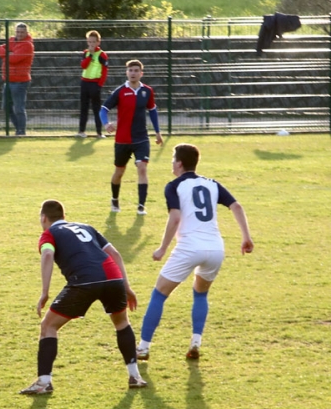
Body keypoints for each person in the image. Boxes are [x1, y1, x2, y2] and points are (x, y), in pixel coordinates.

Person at [137, 143, 254, 361]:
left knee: (159, 294)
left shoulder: (173, 186)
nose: (172, 163)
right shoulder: (212, 184)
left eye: (173, 159)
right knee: (200, 294)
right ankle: (196, 341)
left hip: (190, 247)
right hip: (215, 248)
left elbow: (175, 218)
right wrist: (246, 237)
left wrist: (162, 248)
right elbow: (236, 207)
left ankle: (143, 347)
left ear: (179, 163)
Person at [19, 200, 146, 394]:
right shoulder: (87, 227)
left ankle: (44, 382)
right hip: (113, 277)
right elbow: (115, 254)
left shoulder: (50, 234)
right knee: (121, 323)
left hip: (84, 281)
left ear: (44, 218)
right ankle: (135, 376)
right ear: (64, 216)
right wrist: (127, 287)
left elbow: (47, 256)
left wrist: (44, 292)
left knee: (48, 326)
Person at [100, 59, 164, 215]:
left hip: (141, 138)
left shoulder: (147, 91)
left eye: (136, 71)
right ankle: (115, 199)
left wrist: (157, 131)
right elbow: (103, 109)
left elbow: (153, 111)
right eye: (130, 70)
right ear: (126, 73)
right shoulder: (120, 91)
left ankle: (141, 206)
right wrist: (106, 124)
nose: (133, 73)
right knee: (119, 172)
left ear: (141, 73)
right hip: (122, 139)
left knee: (142, 168)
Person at [0, 22, 35, 136]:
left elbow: (14, 59)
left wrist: (7, 54)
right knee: (6, 107)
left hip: (20, 81)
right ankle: (18, 128)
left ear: (26, 33)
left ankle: (21, 131)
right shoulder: (12, 40)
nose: (19, 34)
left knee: (19, 108)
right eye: (18, 32)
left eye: (22, 32)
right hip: (8, 80)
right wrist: (8, 53)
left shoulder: (28, 45)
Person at [77, 30, 108, 138]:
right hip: (85, 82)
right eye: (89, 42)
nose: (91, 44)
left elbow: (104, 71)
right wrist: (90, 55)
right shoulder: (85, 53)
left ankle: (99, 133)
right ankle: (81, 131)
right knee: (83, 108)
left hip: (95, 84)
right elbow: (83, 66)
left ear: (98, 42)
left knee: (96, 109)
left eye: (93, 42)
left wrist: (99, 85)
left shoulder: (102, 55)